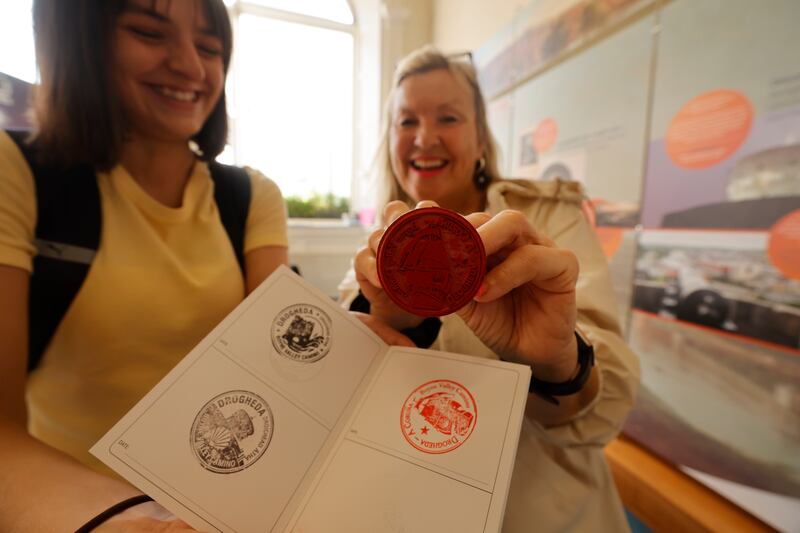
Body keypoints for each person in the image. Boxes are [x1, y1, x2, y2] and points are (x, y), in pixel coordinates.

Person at [0, 0, 288, 530]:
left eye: (209, 47)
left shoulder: (252, 198)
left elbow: (282, 377)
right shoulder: (16, 171)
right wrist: (136, 522)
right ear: (82, 45)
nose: (190, 65)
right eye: (148, 33)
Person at [341, 45, 640, 532]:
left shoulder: (547, 219)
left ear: (481, 138)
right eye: (406, 121)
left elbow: (611, 406)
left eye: (449, 118)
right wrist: (397, 321)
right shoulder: (373, 259)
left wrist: (555, 360)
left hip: (546, 516)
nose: (425, 138)